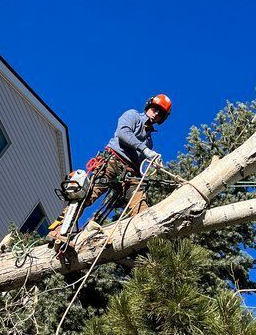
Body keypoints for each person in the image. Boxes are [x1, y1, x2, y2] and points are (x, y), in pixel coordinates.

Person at [49, 94, 172, 242]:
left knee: (139, 204)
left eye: (160, 113)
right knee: (87, 195)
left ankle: (146, 242)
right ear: (149, 106)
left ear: (162, 119)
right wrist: (144, 150)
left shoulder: (149, 141)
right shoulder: (133, 116)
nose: (156, 113)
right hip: (111, 163)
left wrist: (152, 163)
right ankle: (58, 231)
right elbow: (123, 133)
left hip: (129, 175)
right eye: (155, 109)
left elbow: (140, 166)